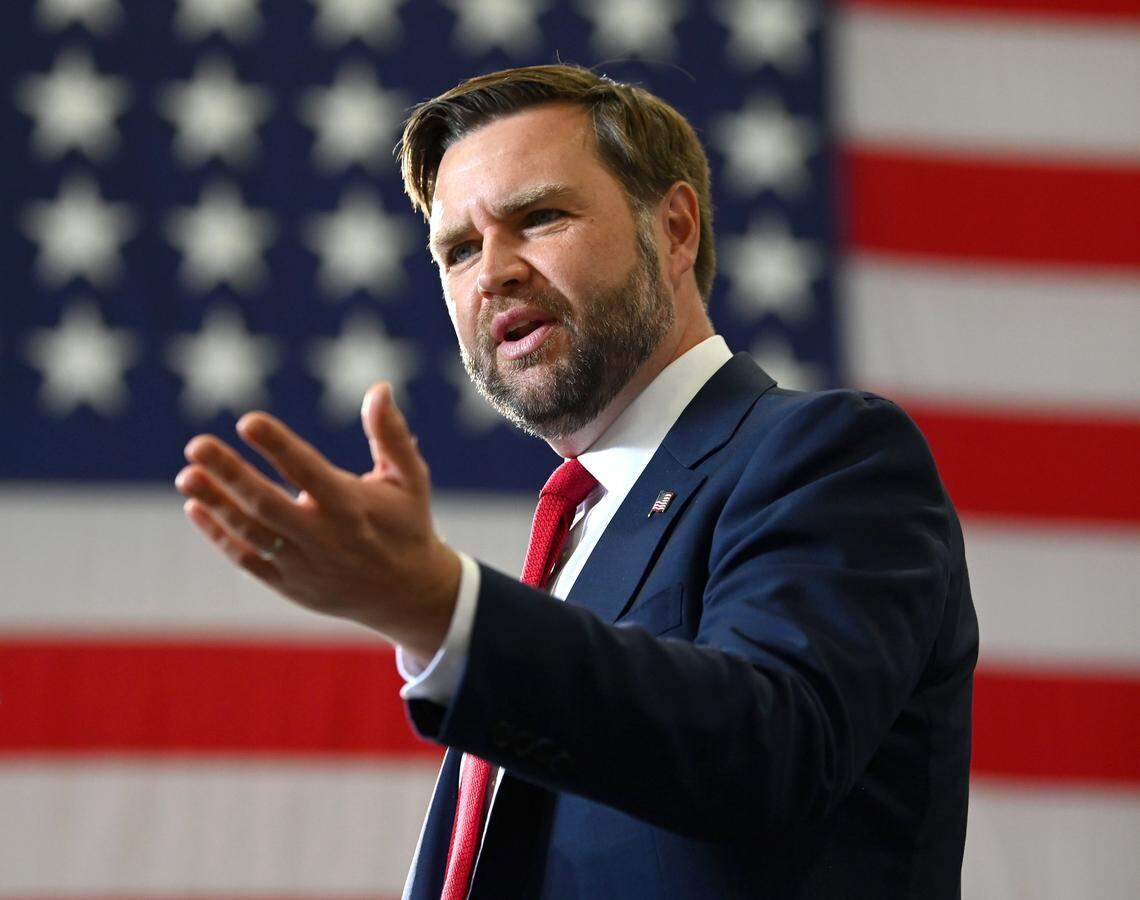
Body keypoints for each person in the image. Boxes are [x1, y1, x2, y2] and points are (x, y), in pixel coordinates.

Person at [175, 65, 978, 899]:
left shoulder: (828, 455)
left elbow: (769, 750)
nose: (493, 272)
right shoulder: (573, 542)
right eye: (459, 250)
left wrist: (442, 609)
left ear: (674, 230)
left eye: (539, 217)